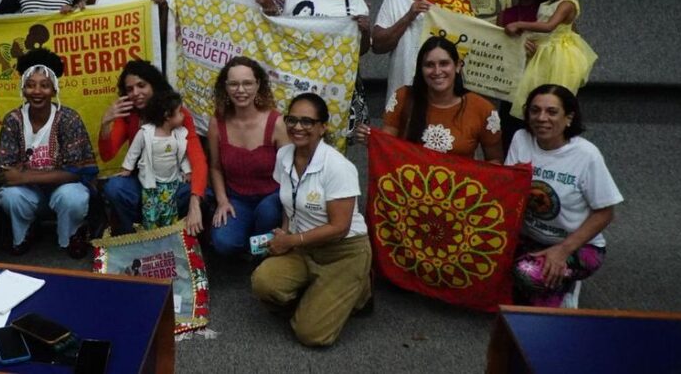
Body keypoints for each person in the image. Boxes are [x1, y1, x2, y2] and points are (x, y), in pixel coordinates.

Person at [251, 92, 372, 347]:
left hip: (342, 251)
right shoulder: (284, 155)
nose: (297, 127)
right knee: (263, 282)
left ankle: (361, 288)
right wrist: (285, 234)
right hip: (303, 246)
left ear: (322, 127)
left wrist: (291, 241)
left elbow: (339, 228)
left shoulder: (338, 166)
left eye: (307, 121)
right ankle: (321, 292)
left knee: (311, 334)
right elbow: (289, 203)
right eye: (292, 120)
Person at [506, 85, 622, 307]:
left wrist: (563, 250)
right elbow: (510, 190)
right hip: (529, 238)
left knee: (526, 275)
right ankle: (553, 280)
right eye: (535, 110)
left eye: (552, 112)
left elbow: (605, 213)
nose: (541, 118)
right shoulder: (521, 139)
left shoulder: (587, 155)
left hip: (577, 245)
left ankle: (567, 284)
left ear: (569, 118)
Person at [0, 49, 98, 257]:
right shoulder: (13, 120)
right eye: (30, 85)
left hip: (62, 192)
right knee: (10, 196)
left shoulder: (68, 119)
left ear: (54, 89)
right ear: (23, 89)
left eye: (44, 85)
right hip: (30, 194)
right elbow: (7, 174)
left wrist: (25, 176)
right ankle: (25, 232)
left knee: (73, 195)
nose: (37, 91)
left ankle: (72, 235)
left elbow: (75, 172)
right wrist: (25, 177)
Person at [100, 60, 207, 235]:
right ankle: (130, 238)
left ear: (154, 85)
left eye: (141, 85)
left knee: (197, 192)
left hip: (172, 183)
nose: (135, 93)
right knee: (114, 187)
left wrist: (195, 204)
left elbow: (198, 160)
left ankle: (176, 235)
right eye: (130, 89)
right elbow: (107, 155)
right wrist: (105, 124)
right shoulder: (129, 115)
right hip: (143, 181)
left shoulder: (177, 114)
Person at [283, 0, 372, 134]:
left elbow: (361, 51)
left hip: (338, 89)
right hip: (300, 84)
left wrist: (366, 32)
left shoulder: (354, 1)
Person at [364, 36, 503, 162]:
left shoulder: (482, 109)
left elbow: (495, 162)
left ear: (458, 66)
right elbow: (386, 147)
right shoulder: (403, 97)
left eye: (444, 64)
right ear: (420, 69)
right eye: (429, 65)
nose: (437, 71)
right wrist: (371, 138)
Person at [373, 0, 475, 102]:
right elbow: (378, 45)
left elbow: (473, 37)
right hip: (409, 81)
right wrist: (408, 17)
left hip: (448, 82)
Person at [505, 0, 599, 120]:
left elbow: (549, 26)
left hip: (555, 52)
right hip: (541, 51)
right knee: (531, 87)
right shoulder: (553, 1)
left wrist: (520, 24)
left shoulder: (567, 4)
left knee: (552, 91)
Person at [207, 57, 288, 257]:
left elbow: (290, 173)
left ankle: (261, 247)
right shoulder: (217, 122)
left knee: (267, 212)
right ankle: (252, 245)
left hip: (272, 197)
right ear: (225, 87)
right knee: (223, 242)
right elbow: (215, 167)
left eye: (247, 83)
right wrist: (222, 201)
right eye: (233, 84)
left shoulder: (277, 122)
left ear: (258, 85)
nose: (240, 90)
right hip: (237, 198)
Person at [497, 0, 549, 150]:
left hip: (543, 94)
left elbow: (571, 48)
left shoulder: (551, 13)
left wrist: (540, 52)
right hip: (511, 97)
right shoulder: (505, 15)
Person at [119, 91, 192, 230]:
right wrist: (127, 168)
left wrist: (187, 171)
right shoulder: (146, 133)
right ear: (167, 115)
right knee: (150, 214)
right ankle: (151, 237)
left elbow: (182, 156)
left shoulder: (178, 134)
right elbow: (134, 151)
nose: (183, 116)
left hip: (171, 184)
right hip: (151, 184)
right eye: (179, 112)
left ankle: (167, 236)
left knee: (169, 212)